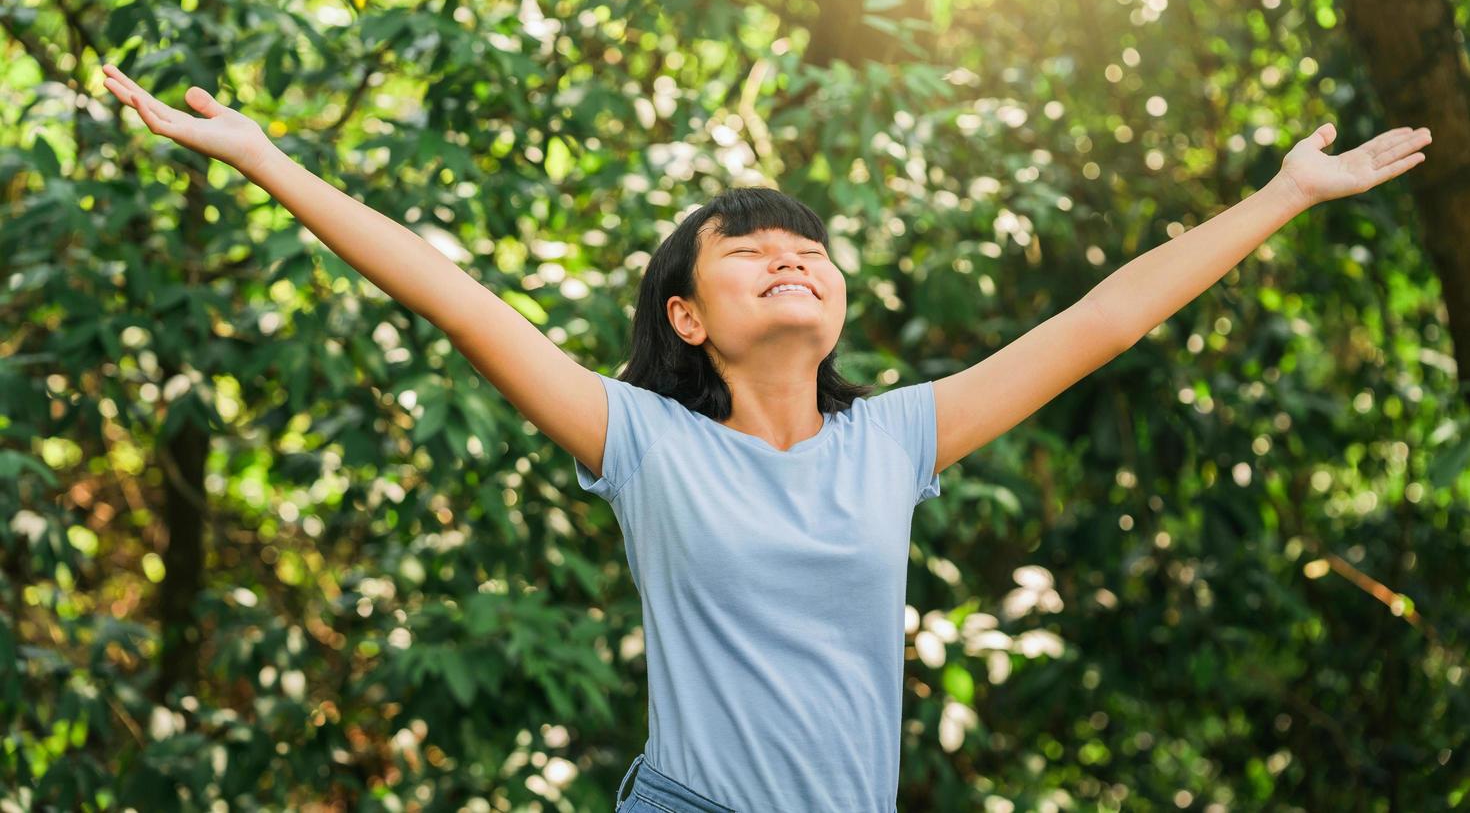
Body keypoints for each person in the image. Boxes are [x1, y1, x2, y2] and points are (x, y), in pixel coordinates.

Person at [100, 64, 1431, 811]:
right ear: (687, 316)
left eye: (810, 249)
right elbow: (448, 294)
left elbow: (1105, 319)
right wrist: (263, 155)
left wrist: (1281, 193)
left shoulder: (893, 440)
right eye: (750, 251)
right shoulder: (640, 442)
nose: (791, 257)